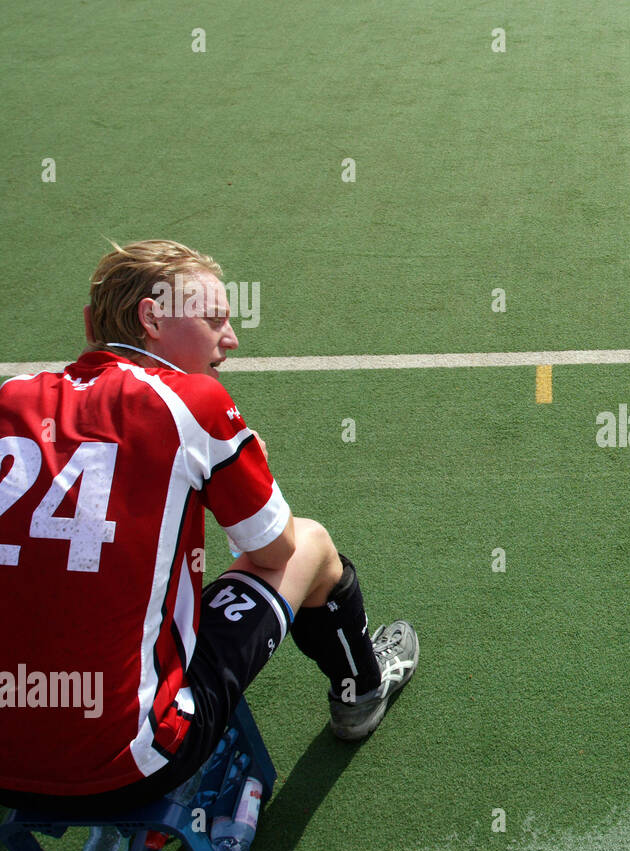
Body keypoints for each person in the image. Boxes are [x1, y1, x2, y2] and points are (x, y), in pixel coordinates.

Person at [0, 239, 418, 816]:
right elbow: (273, 549)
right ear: (152, 319)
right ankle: (361, 692)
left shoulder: (10, 396)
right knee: (312, 544)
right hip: (128, 762)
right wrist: (243, 476)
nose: (232, 338)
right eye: (214, 318)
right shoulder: (189, 401)